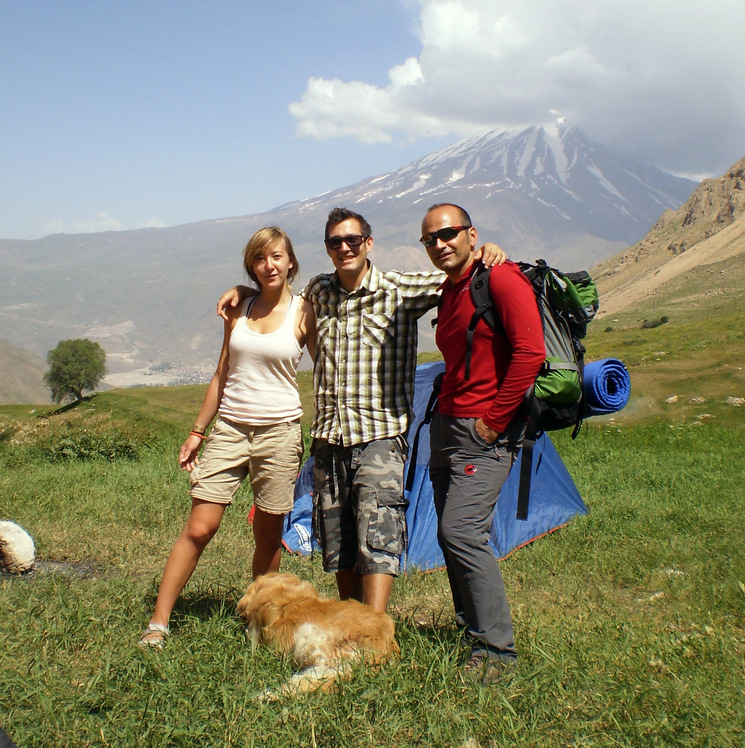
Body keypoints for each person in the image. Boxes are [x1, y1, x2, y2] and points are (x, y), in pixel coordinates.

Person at [218, 208, 506, 613]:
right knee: (338, 535)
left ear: (368, 244)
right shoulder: (319, 290)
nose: (345, 248)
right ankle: (349, 623)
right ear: (327, 249)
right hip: (329, 435)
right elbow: (278, 295)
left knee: (379, 531)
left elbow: (458, 275)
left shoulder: (400, 288)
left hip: (379, 434)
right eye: (336, 242)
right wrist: (243, 292)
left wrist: (485, 253)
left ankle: (373, 629)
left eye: (353, 240)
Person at [139, 226, 315, 647]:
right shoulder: (240, 308)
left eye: (276, 256)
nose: (269, 265)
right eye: (260, 258)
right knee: (200, 526)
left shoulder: (306, 312)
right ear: (251, 266)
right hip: (230, 429)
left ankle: (262, 622)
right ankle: (158, 622)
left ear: (291, 261)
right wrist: (197, 431)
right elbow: (222, 373)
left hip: (279, 433)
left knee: (269, 535)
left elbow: (326, 370)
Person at [419, 203, 545, 683]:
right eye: (430, 238)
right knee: (452, 537)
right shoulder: (451, 289)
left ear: (471, 233)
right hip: (446, 427)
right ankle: (472, 630)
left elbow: (531, 352)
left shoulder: (502, 277)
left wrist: (493, 423)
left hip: (483, 432)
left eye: (448, 233)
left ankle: (498, 652)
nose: (440, 243)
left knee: (462, 534)